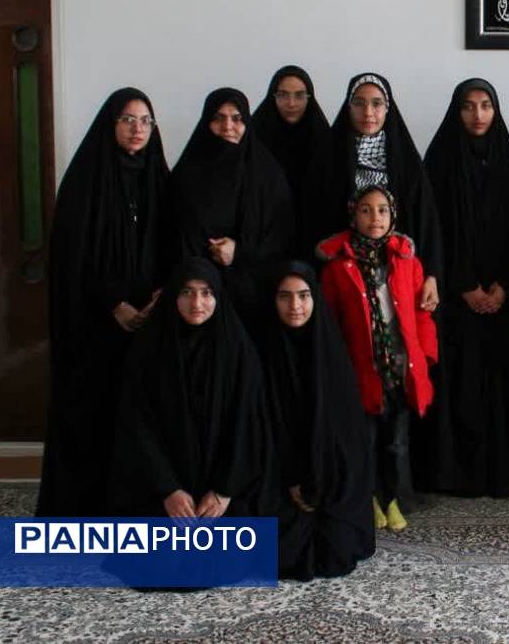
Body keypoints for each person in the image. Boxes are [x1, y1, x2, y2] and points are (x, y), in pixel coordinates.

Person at [38, 87, 175, 517]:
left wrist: (161, 294)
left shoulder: (159, 178)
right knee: (94, 414)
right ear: (110, 124)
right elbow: (71, 258)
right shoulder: (86, 181)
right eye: (127, 120)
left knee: (141, 419)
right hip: (95, 325)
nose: (137, 129)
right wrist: (114, 303)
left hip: (150, 321)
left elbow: (174, 244)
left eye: (145, 121)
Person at [108, 258, 271, 519]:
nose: (196, 303)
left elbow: (249, 422)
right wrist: (168, 489)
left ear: (218, 296)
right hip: (159, 494)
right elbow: (136, 423)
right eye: (187, 292)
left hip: (225, 496)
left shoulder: (238, 352)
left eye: (206, 293)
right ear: (173, 296)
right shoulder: (149, 350)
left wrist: (224, 490)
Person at [422, 78, 509, 497]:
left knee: (498, 381)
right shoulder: (439, 161)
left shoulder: (506, 161)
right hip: (454, 296)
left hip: (500, 297)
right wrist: (464, 285)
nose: (477, 114)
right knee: (459, 383)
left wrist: (502, 285)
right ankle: (456, 473)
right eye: (468, 106)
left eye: (485, 105)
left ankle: (498, 469)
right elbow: (432, 229)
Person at [319, 185, 438, 531]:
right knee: (366, 440)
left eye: (383, 210)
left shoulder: (406, 260)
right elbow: (331, 323)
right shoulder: (337, 267)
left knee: (397, 442)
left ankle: (394, 497)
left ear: (393, 215)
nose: (375, 218)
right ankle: (369, 498)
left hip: (400, 369)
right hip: (361, 371)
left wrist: (425, 355)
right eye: (366, 210)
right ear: (353, 215)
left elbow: (422, 314)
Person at [261, 262, 375, 580]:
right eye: (284, 296)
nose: (295, 306)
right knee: (282, 551)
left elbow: (347, 441)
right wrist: (292, 480)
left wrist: (319, 484)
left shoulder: (332, 354)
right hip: (280, 481)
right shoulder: (262, 355)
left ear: (316, 299)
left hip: (330, 485)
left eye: (303, 295)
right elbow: (264, 432)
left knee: (337, 550)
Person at [170, 87, 294, 332]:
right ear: (206, 123)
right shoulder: (186, 174)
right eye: (218, 118)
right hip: (196, 297)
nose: (228, 126)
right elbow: (173, 232)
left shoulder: (268, 175)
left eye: (237, 119)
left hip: (254, 295)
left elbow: (282, 237)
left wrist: (240, 251)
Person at [318, 72, 443, 313]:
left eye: (376, 103)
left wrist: (432, 275)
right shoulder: (329, 158)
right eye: (359, 103)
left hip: (401, 275)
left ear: (388, 108)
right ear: (348, 108)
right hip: (344, 279)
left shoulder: (405, 161)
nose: (368, 112)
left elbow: (426, 222)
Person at [252, 65, 333, 259]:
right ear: (273, 97)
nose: (291, 103)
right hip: (263, 238)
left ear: (309, 98)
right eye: (283, 95)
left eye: (299, 95)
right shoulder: (255, 138)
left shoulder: (325, 140)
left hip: (313, 237)